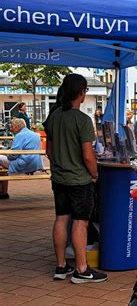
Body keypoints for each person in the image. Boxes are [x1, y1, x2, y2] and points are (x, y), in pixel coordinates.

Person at [45, 73, 107, 283]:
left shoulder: (53, 117)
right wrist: (94, 174)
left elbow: (50, 151)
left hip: (59, 178)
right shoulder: (82, 120)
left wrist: (61, 164)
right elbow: (88, 155)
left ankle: (61, 266)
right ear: (81, 92)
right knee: (81, 223)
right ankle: (81, 269)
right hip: (79, 180)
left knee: (61, 219)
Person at [0, 118, 43, 199]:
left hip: (24, 164)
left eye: (12, 127)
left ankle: (3, 191)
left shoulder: (19, 135)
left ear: (17, 126)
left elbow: (13, 155)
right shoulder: (34, 134)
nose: (11, 129)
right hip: (36, 163)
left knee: (0, 158)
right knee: (2, 165)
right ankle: (4, 192)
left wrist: (6, 154)